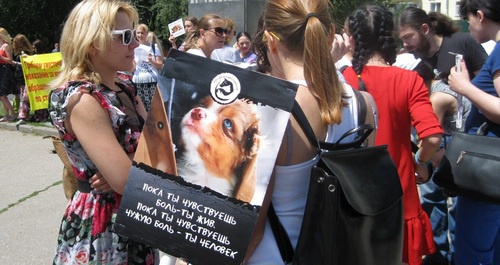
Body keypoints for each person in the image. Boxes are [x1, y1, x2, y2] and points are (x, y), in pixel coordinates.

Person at [246, 0, 373, 263]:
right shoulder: (365, 104)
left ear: (270, 40)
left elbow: (252, 226)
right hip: (340, 253)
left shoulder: (271, 109)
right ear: (329, 34)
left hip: (276, 256)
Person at [48, 0, 155, 263]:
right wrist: (127, 168)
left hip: (137, 213)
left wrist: (128, 165)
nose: (136, 45)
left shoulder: (127, 86)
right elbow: (125, 180)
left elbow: (161, 145)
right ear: (93, 43)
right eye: (125, 36)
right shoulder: (82, 99)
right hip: (105, 225)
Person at [341, 5, 443, 265]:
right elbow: (431, 137)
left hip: (351, 194)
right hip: (398, 196)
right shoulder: (409, 80)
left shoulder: (342, 80)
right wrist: (420, 162)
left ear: (353, 38)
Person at [396, 8, 488, 264]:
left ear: (425, 29)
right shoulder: (422, 62)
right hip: (441, 138)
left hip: (462, 140)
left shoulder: (459, 43)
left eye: (408, 37)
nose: (405, 44)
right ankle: (441, 256)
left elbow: (482, 84)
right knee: (435, 202)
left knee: (456, 205)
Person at [448, 0, 500, 264]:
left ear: (480, 15)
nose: (468, 26)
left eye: (468, 19)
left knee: (473, 249)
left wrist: (465, 86)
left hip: (488, 172)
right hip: (492, 171)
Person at [133, 23, 163, 112]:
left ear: (146, 33)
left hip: (152, 81)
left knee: (154, 108)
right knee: (141, 109)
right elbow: (132, 67)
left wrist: (151, 61)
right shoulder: (133, 47)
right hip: (138, 81)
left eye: (142, 33)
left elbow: (160, 64)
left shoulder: (153, 47)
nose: (140, 35)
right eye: (138, 33)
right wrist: (134, 62)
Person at [11, 34, 34, 126]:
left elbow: (25, 64)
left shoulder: (24, 53)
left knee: (25, 96)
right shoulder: (28, 51)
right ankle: (25, 114)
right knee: (24, 95)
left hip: (24, 75)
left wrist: (14, 63)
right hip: (22, 74)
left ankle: (23, 115)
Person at [0, 28, 17, 122]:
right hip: (0, 70)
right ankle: (6, 115)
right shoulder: (0, 46)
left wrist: (1, 57)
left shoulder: (6, 46)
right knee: (2, 95)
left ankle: (13, 113)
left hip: (5, 70)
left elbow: (10, 60)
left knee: (2, 95)